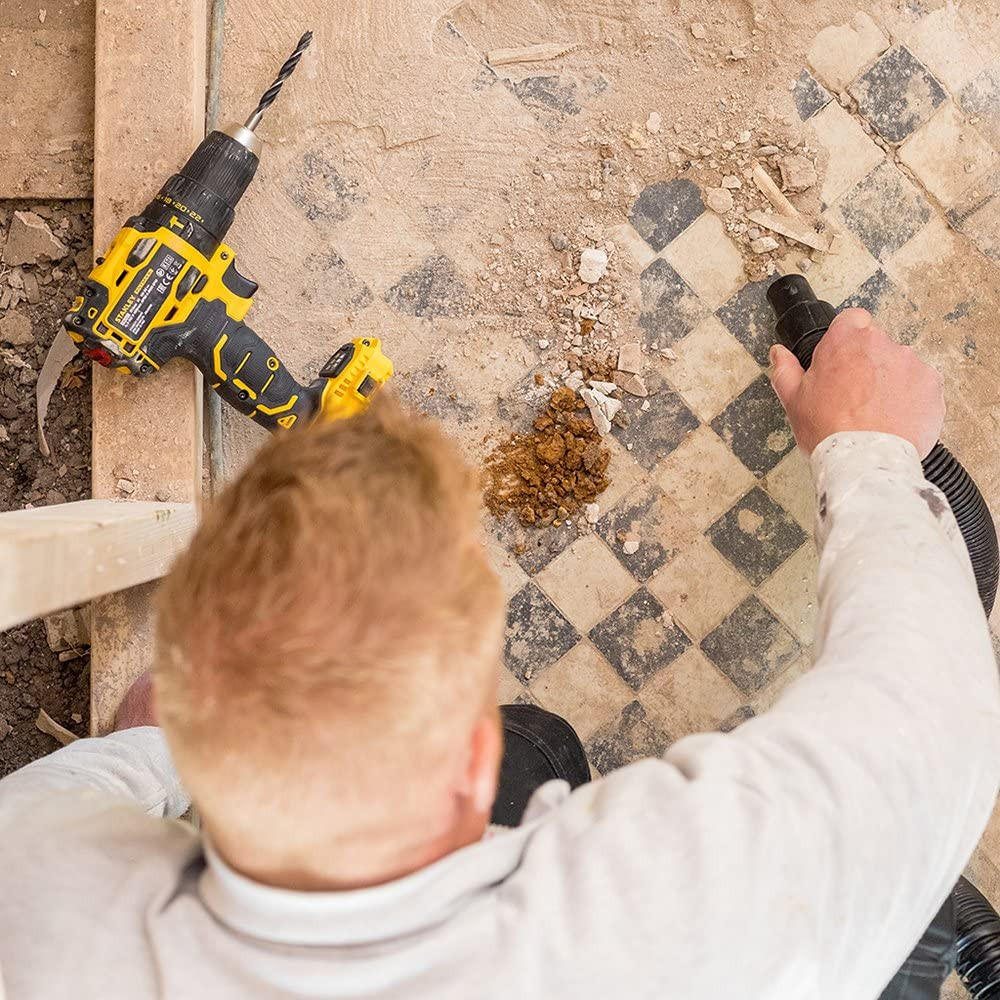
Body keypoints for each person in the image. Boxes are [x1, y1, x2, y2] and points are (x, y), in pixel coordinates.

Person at [0, 308, 997, 1000]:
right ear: (467, 769)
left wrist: (144, 753)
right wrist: (868, 447)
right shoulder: (665, 927)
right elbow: (928, 724)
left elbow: (54, 808)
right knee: (902, 925)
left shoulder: (35, 896)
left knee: (539, 743)